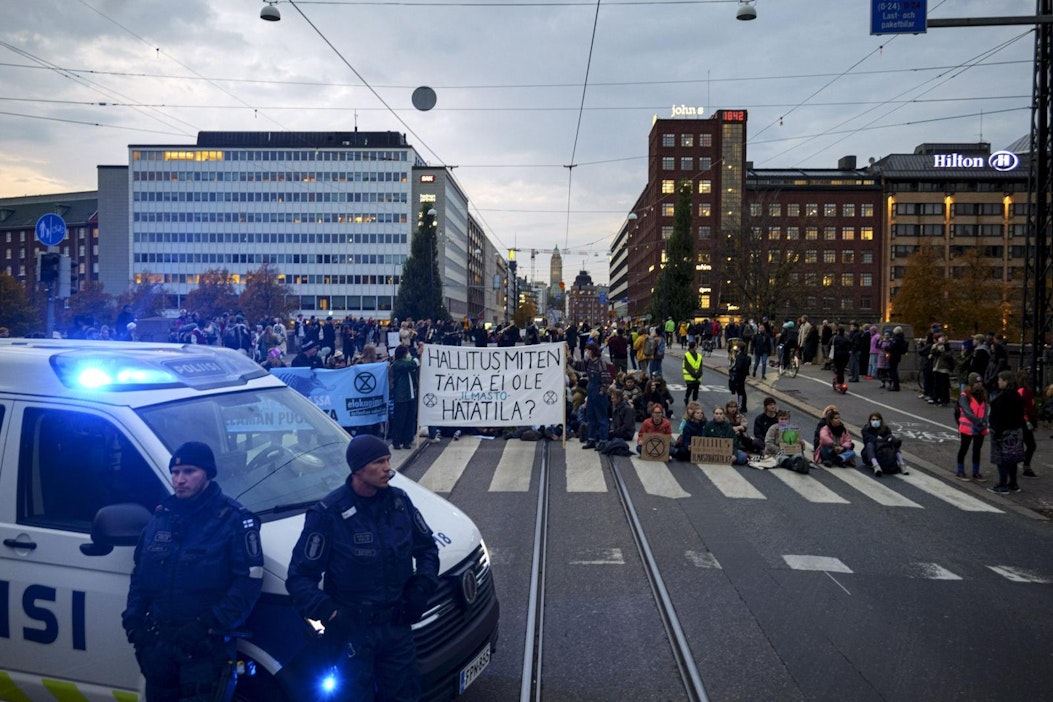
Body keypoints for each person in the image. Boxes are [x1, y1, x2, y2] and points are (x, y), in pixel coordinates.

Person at [286, 435, 440, 701]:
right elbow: (299, 579)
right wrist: (330, 614)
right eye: (379, 462)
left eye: (388, 460)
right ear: (358, 469)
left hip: (396, 628)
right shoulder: (328, 514)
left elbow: (427, 549)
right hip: (352, 634)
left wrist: (422, 587)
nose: (387, 468)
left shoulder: (400, 503)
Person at [123, 442, 264, 702]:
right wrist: (132, 623)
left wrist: (208, 625)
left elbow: (248, 582)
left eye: (189, 471)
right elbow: (140, 575)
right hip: (158, 649)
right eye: (175, 472)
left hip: (204, 650)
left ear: (208, 474)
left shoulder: (233, 520)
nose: (180, 480)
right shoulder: (161, 518)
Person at [987, 370, 1025, 494]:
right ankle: (1013, 483)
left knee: (1001, 459)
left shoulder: (1003, 397)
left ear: (1006, 381)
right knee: (1012, 458)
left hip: (1002, 432)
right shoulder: (1017, 396)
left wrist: (996, 431)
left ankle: (1002, 484)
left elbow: (999, 416)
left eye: (1000, 380)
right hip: (1015, 431)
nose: (998, 382)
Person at [955, 372, 989, 481]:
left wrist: (984, 422)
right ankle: (960, 471)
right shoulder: (964, 396)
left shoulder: (982, 395)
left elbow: (985, 410)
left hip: (980, 427)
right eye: (976, 382)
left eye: (980, 382)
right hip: (968, 427)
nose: (979, 384)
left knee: (977, 449)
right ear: (971, 384)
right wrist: (979, 421)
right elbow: (967, 412)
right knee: (964, 448)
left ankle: (976, 472)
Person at [583, 342, 612, 450]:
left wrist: (603, 390)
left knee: (601, 417)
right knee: (590, 416)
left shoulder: (601, 363)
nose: (586, 352)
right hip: (591, 392)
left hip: (598, 393)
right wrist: (568, 355)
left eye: (587, 350)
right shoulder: (589, 362)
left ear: (592, 351)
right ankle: (591, 440)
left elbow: (606, 378)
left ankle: (603, 441)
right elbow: (579, 366)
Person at [389, 345, 419, 450]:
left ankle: (407, 440)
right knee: (400, 420)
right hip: (401, 396)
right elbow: (412, 365)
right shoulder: (398, 364)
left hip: (411, 395)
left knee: (410, 419)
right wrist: (416, 356)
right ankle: (397, 441)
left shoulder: (405, 363)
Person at [762, 409, 811, 474]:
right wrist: (780, 450)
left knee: (798, 455)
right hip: (777, 452)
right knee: (783, 458)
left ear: (789, 420)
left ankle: (801, 464)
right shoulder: (773, 428)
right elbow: (768, 443)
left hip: (791, 451)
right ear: (778, 419)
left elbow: (799, 445)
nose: (784, 421)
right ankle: (794, 466)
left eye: (786, 419)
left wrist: (801, 445)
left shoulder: (792, 429)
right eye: (782, 419)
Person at [861, 412, 909, 476]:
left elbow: (889, 435)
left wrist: (891, 439)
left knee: (893, 443)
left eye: (877, 419)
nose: (875, 421)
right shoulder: (866, 430)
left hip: (883, 452)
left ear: (880, 420)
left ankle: (902, 464)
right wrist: (886, 439)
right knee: (870, 444)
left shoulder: (885, 428)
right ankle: (876, 466)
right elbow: (872, 440)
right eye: (873, 419)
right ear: (870, 421)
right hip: (870, 453)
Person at [1016, 370, 1039, 478]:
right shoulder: (1026, 392)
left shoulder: (1018, 391)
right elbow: (1030, 409)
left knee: (1020, 445)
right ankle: (1026, 467)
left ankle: (1018, 467)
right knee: (1030, 445)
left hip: (1019, 421)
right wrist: (1034, 423)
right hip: (1025, 422)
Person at [729, 342, 751, 412]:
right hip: (743, 375)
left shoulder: (739, 356)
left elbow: (738, 367)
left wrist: (734, 374)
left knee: (740, 392)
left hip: (739, 376)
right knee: (742, 391)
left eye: (737, 347)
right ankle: (743, 406)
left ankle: (741, 406)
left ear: (739, 348)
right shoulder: (745, 356)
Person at [682, 340, 704, 406]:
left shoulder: (699, 356)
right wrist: (693, 374)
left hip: (697, 376)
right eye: (696, 345)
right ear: (693, 347)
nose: (697, 347)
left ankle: (694, 401)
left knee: (696, 390)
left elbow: (700, 366)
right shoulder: (687, 355)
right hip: (689, 376)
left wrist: (699, 373)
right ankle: (686, 398)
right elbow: (687, 366)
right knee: (689, 388)